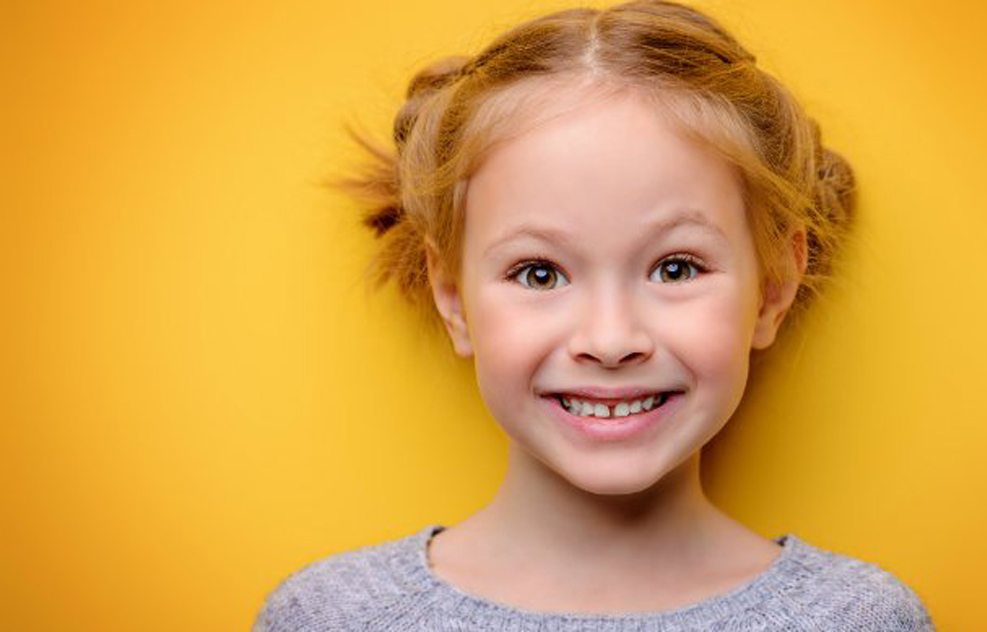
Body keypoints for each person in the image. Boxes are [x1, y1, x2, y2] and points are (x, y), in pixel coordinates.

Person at [253, 1, 937, 630]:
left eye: (676, 268)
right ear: (453, 296)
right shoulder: (330, 617)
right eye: (540, 273)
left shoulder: (858, 620)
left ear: (774, 287)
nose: (610, 340)